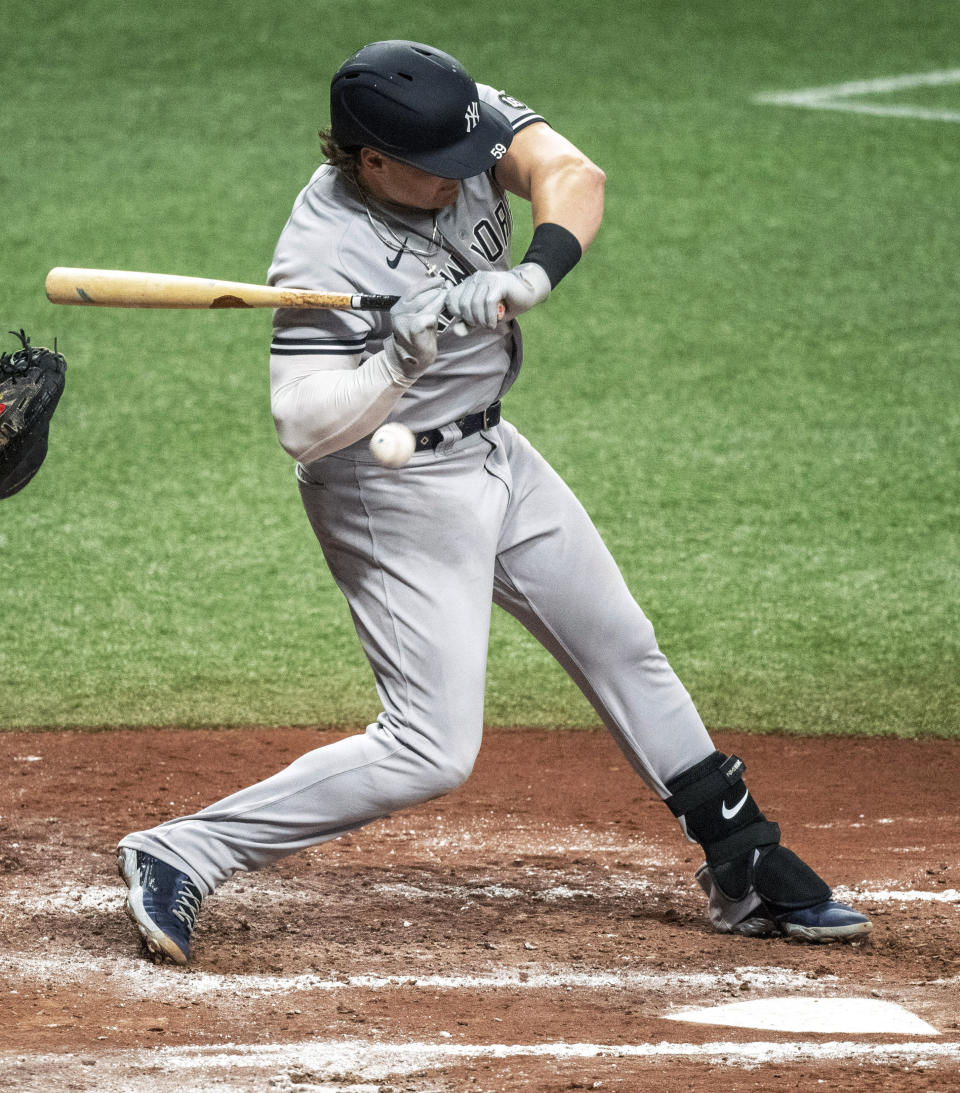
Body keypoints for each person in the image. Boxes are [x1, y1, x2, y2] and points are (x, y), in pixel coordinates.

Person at [117, 40, 871, 964]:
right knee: (430, 748)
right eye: (443, 173)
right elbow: (303, 424)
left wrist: (537, 269)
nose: (469, 179)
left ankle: (743, 861)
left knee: (618, 639)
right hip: (389, 490)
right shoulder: (324, 246)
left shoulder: (456, 118)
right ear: (372, 161)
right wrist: (399, 353)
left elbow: (567, 169)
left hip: (493, 448)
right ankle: (182, 849)